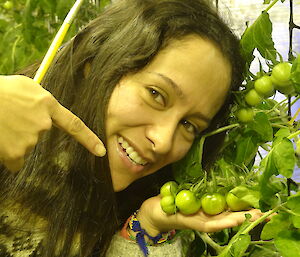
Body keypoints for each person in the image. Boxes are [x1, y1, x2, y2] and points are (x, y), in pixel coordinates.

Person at [0, 0, 263, 256]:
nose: (163, 141)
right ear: (93, 64)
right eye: (156, 94)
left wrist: (148, 228)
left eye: (189, 125)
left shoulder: (118, 204)